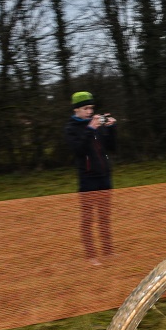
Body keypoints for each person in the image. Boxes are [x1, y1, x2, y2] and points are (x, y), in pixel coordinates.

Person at [65, 91, 117, 265]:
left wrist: (111, 128)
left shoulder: (95, 124)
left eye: (91, 108)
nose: (89, 112)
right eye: (86, 108)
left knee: (104, 217)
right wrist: (90, 129)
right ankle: (91, 255)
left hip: (104, 177)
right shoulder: (71, 128)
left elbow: (112, 147)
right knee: (88, 220)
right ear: (76, 109)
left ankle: (108, 251)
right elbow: (79, 150)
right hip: (87, 180)